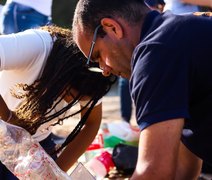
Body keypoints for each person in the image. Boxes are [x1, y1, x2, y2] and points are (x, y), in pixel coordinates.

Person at [72, 0, 212, 179]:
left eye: (97, 56)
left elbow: (154, 172)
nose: (104, 71)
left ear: (112, 27)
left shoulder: (155, 53)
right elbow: (184, 170)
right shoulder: (176, 34)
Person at [0, 25, 115, 179]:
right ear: (62, 75)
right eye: (72, 95)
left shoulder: (94, 77)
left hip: (36, 145)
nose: (74, 102)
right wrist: (8, 117)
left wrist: (55, 172)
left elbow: (92, 123)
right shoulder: (36, 46)